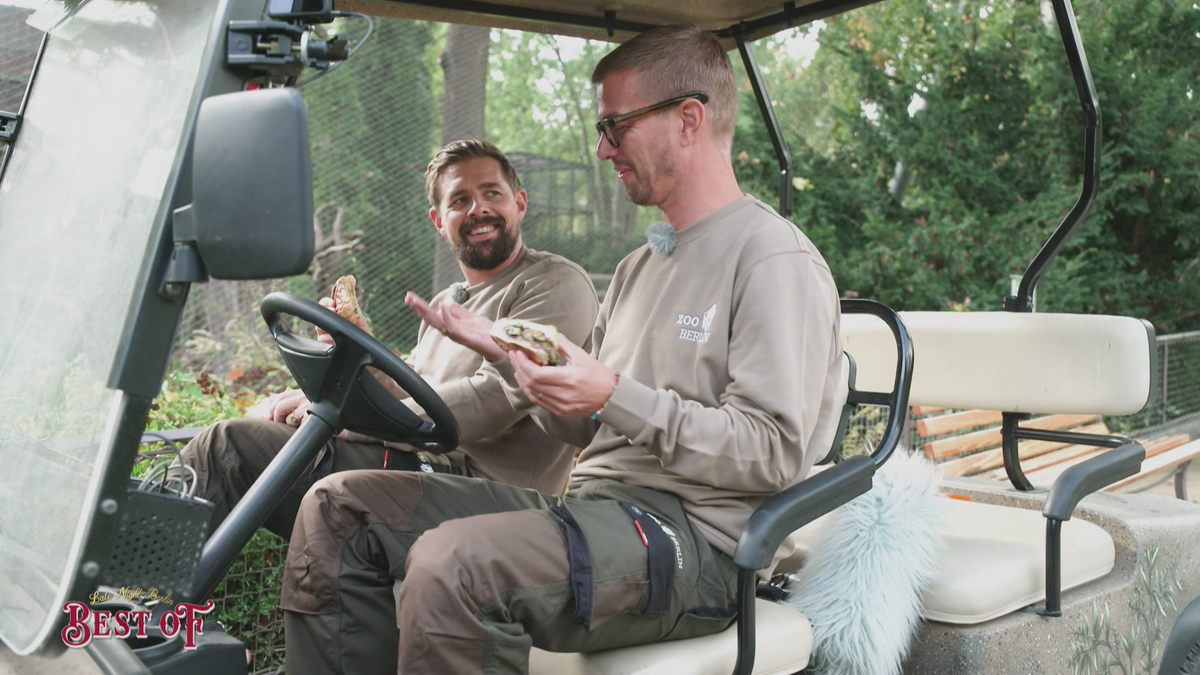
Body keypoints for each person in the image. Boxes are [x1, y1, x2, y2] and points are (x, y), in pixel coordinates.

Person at [280, 25, 847, 675]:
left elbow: (772, 452)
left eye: (617, 125)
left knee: (454, 563)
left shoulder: (773, 257)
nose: (603, 150)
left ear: (688, 119)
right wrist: (512, 361)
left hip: (698, 547)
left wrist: (615, 394)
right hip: (597, 509)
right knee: (339, 506)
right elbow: (582, 429)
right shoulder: (641, 264)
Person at [177, 138, 599, 539]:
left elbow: (497, 396)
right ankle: (152, 591)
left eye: (492, 194)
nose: (478, 209)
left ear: (519, 203)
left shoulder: (552, 283)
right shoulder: (447, 302)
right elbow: (417, 392)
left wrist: (352, 423)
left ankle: (129, 588)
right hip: (421, 467)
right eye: (459, 200)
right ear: (438, 221)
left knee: (229, 447)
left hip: (489, 497)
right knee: (253, 439)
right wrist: (360, 354)